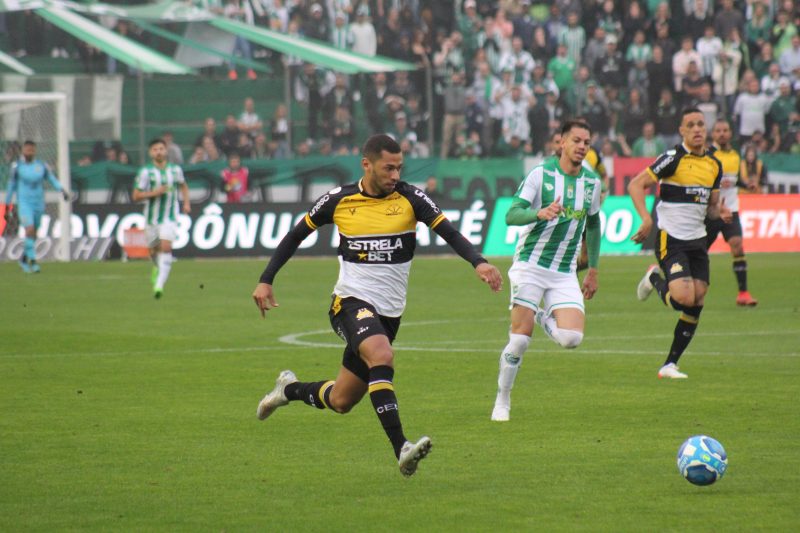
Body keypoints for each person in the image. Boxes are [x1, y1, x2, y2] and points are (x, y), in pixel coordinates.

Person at [252, 134, 502, 476]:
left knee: (342, 400)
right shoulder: (339, 200)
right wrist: (266, 279)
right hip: (349, 303)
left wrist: (480, 262)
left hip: (389, 316)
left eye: (399, 167)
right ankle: (402, 447)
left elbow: (450, 232)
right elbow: (295, 235)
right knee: (382, 355)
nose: (395, 174)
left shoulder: (411, 198)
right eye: (388, 167)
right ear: (366, 164)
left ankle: (287, 390)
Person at [491, 120, 602, 422]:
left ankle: (541, 315)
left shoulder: (591, 183)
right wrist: (537, 214)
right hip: (531, 265)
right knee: (520, 341)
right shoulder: (541, 175)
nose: (582, 147)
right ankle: (502, 399)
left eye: (587, 142)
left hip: (565, 271)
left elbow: (592, 223)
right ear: (562, 142)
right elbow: (511, 214)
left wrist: (593, 268)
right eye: (576, 140)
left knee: (571, 339)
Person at [628, 108, 732, 379]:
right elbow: (636, 185)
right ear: (682, 131)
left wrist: (720, 213)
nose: (697, 129)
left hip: (697, 241)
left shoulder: (713, 165)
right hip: (670, 238)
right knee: (682, 298)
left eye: (701, 124)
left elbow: (710, 208)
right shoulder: (672, 158)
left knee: (697, 300)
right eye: (691, 125)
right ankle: (653, 278)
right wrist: (645, 219)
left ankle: (670, 364)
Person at [705, 120, 758, 306]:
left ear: (730, 133)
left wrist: (746, 185)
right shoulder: (708, 155)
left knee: (737, 245)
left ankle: (743, 293)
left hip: (731, 210)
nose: (722, 134)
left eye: (725, 130)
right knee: (697, 252)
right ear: (712, 134)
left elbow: (733, 179)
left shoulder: (735, 155)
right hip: (711, 212)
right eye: (718, 130)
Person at [132, 139, 191, 299]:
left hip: (170, 217)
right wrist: (154, 193)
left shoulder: (175, 170)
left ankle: (159, 285)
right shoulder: (146, 172)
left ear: (166, 151)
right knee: (153, 251)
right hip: (152, 218)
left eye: (161, 149)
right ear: (151, 153)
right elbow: (136, 195)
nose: (159, 151)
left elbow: (183, 185)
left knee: (166, 247)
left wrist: (186, 203)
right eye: (155, 149)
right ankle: (157, 268)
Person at [3, 140, 70, 273]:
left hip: (38, 203)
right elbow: (11, 187)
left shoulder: (41, 166)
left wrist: (61, 190)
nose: (29, 152)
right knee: (29, 229)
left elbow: (51, 179)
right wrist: (7, 206)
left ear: (35, 151)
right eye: (27, 149)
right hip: (24, 203)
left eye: (32, 149)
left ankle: (23, 258)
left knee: (34, 233)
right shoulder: (17, 167)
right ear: (23, 151)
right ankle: (33, 262)